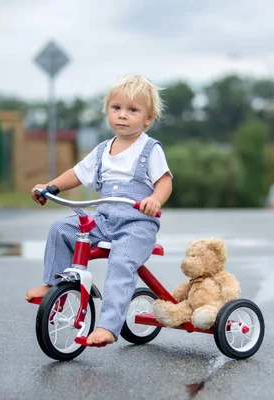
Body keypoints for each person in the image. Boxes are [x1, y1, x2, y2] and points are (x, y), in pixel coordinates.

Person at [25, 73, 173, 346]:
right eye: (116, 108)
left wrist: (155, 199)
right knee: (62, 229)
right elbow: (77, 173)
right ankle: (53, 284)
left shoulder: (149, 149)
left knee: (121, 261)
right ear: (108, 111)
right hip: (105, 220)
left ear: (147, 118)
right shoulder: (103, 150)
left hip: (137, 225)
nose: (123, 116)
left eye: (133, 110)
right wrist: (52, 187)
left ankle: (107, 326)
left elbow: (165, 181)